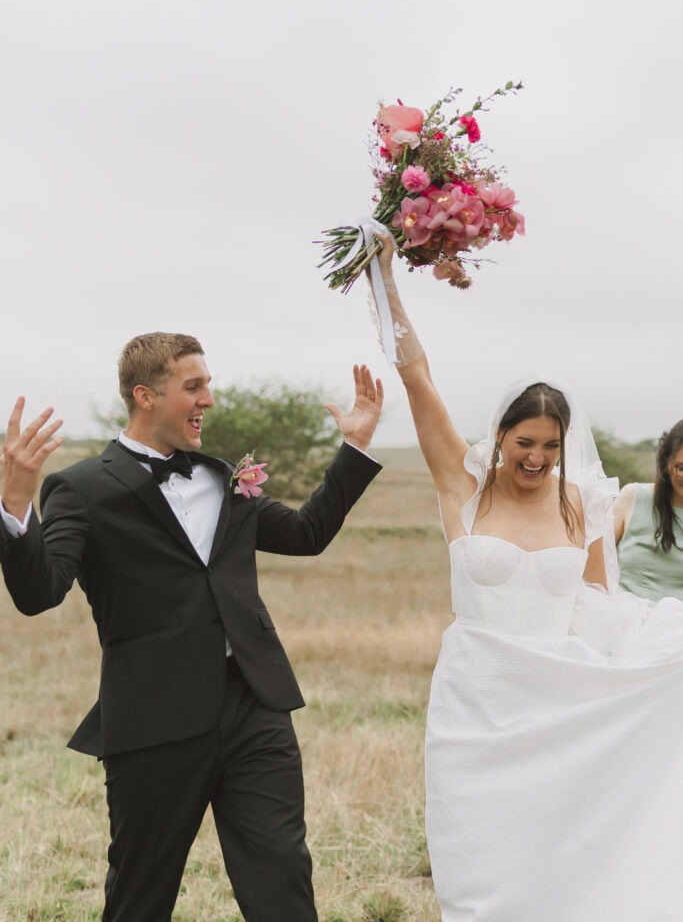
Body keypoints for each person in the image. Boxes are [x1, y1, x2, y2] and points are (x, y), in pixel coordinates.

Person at [0, 332, 383, 922]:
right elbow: (38, 593)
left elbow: (307, 534)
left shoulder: (224, 476)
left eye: (208, 384)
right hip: (153, 719)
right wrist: (15, 507)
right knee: (141, 896)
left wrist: (353, 448)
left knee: (283, 875)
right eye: (194, 386)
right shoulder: (81, 488)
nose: (209, 398)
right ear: (145, 395)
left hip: (255, 705)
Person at [366, 237, 683, 922]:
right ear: (500, 436)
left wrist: (656, 649)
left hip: (557, 695)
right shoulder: (463, 487)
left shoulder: (582, 503)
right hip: (477, 695)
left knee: (560, 853)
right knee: (478, 857)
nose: (536, 458)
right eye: (524, 443)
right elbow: (417, 378)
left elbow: (599, 602)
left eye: (550, 446)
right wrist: (382, 275)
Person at [614, 420, 683, 599]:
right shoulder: (633, 496)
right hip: (622, 609)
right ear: (666, 464)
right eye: (682, 468)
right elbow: (593, 559)